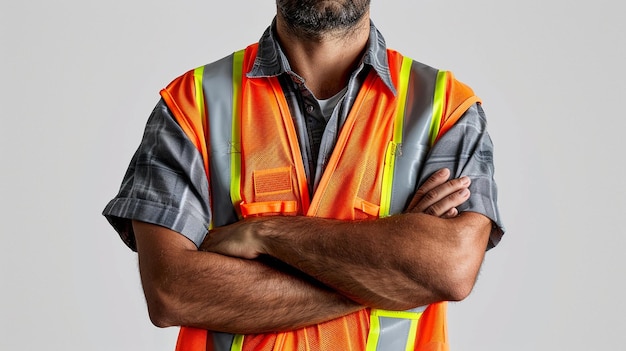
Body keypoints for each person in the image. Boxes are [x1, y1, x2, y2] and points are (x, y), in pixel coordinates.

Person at [103, 1, 504, 350]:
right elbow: (172, 292)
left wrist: (264, 235)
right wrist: (396, 276)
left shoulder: (445, 109)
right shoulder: (191, 105)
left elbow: (450, 270)